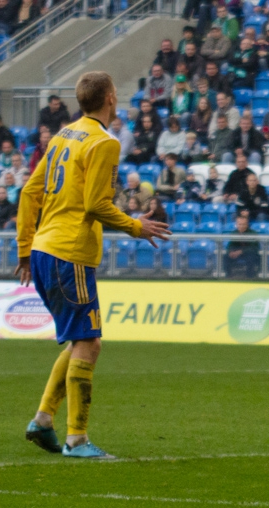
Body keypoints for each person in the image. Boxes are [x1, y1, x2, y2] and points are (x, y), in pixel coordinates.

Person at [17, 71, 171, 460]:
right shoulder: (104, 142)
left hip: (42, 250)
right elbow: (95, 206)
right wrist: (136, 226)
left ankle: (43, 420)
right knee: (89, 343)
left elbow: (29, 191)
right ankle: (77, 439)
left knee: (81, 340)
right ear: (111, 98)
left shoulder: (63, 136)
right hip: (71, 253)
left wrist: (23, 249)